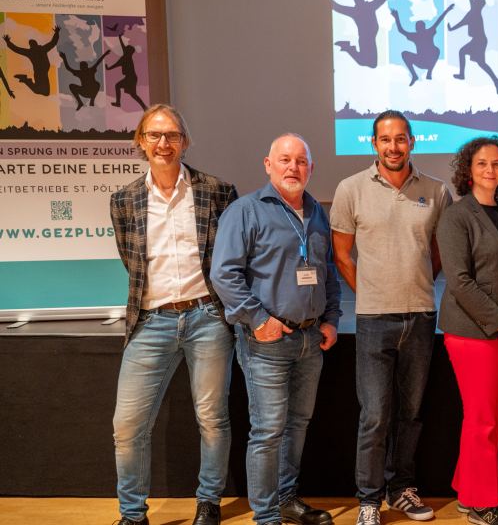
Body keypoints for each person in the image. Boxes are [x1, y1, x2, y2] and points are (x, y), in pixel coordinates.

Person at [109, 104, 237, 525]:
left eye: (172, 135)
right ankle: (132, 514)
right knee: (128, 426)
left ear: (185, 141)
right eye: (154, 135)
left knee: (213, 418)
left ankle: (209, 502)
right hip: (150, 321)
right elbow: (133, 261)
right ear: (140, 142)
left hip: (207, 318)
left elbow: (232, 260)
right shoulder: (125, 200)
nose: (163, 144)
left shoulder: (217, 191)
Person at [211, 134, 341, 525]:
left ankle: (286, 499)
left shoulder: (317, 212)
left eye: (301, 161)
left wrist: (332, 318)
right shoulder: (245, 211)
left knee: (296, 425)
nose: (293, 168)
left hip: (310, 340)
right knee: (268, 430)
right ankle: (265, 515)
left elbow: (326, 272)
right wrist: (258, 319)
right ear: (268, 165)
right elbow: (224, 274)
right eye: (284, 160)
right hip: (266, 340)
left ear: (311, 169)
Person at [330, 110, 451, 525]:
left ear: (413, 142)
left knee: (411, 412)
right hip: (373, 319)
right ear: (373, 144)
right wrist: (371, 291)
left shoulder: (436, 191)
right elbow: (342, 255)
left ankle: (402, 489)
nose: (393, 146)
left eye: (401, 139)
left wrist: (417, 283)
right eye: (385, 139)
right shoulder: (350, 189)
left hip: (420, 315)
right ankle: (368, 499)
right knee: (376, 414)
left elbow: (438, 251)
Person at [436, 136, 498, 525]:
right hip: (473, 334)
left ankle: (467, 487)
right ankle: (480, 506)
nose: (490, 170)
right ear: (468, 170)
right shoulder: (456, 216)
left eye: (496, 164)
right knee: (483, 420)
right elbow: (459, 281)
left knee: (490, 416)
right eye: (482, 164)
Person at [334, 0, 393, 69]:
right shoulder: (362, 9)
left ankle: (348, 48)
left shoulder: (365, 8)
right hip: (366, 38)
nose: (359, 1)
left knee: (371, 64)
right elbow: (338, 8)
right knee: (371, 64)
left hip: (368, 38)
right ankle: (348, 48)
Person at [390, 4, 455, 85]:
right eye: (418, 28)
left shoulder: (428, 32)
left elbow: (439, 20)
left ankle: (429, 72)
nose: (419, 30)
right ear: (417, 29)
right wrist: (396, 17)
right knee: (404, 54)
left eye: (420, 27)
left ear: (423, 28)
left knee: (436, 50)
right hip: (420, 61)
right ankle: (414, 75)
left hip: (429, 61)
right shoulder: (417, 35)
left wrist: (447, 10)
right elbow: (401, 31)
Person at [4, 26, 59, 96]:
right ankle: (25, 80)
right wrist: (57, 33)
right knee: (44, 92)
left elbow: (17, 49)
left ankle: (26, 80)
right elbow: (53, 42)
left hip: (41, 72)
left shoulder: (33, 51)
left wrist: (8, 42)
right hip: (40, 73)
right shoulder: (41, 49)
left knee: (44, 92)